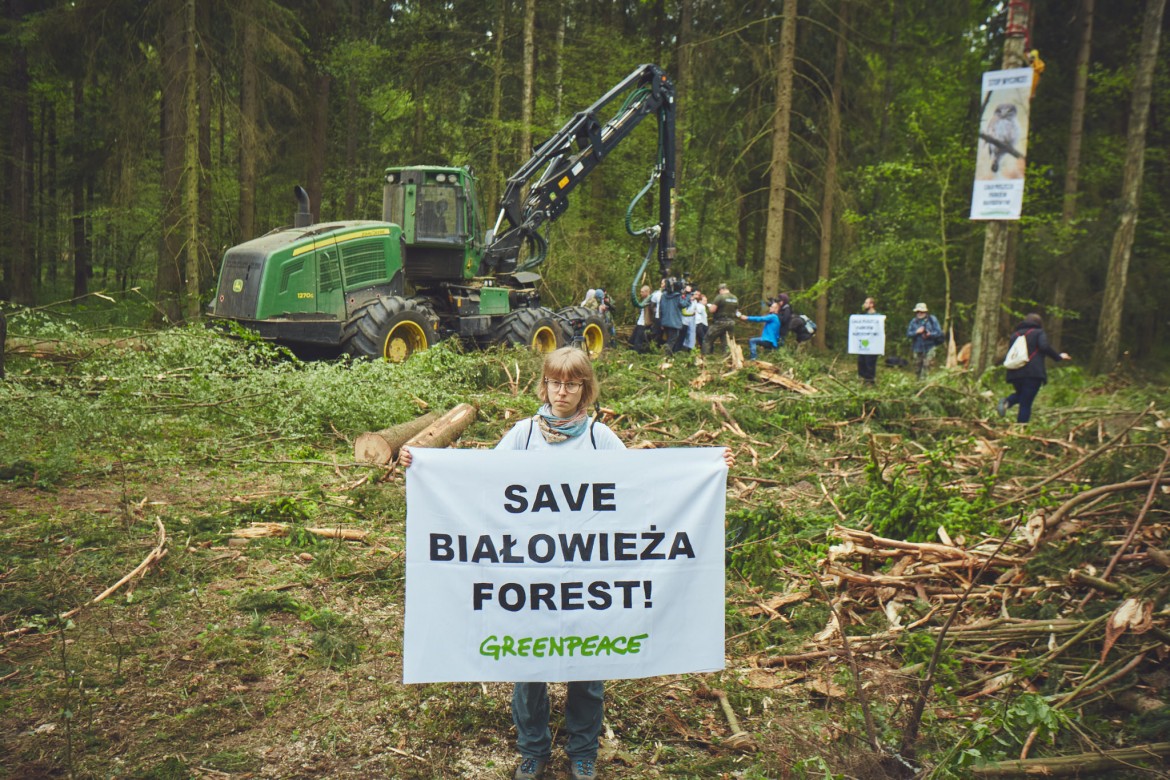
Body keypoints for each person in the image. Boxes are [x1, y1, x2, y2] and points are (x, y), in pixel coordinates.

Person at [400, 348, 734, 780]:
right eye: (556, 382)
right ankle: (533, 751)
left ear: (584, 389)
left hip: (589, 578)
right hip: (528, 576)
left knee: (589, 665)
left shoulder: (600, 438)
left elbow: (643, 487)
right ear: (545, 384)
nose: (562, 391)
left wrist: (708, 469)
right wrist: (425, 465)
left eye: (572, 383)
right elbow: (480, 482)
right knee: (526, 666)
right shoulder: (523, 435)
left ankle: (582, 752)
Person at [997, 313, 1070, 424]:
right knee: (1026, 403)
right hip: (1032, 373)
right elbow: (1044, 346)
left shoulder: (1014, 335)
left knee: (1022, 395)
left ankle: (1007, 401)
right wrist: (1058, 357)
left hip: (1015, 372)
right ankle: (1021, 429)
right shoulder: (1038, 333)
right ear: (1039, 324)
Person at [906, 302, 943, 380]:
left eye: (921, 312)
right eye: (917, 312)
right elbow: (908, 334)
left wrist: (930, 334)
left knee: (927, 367)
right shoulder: (913, 321)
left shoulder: (932, 320)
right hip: (917, 348)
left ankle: (924, 384)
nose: (919, 313)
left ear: (925, 312)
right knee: (917, 369)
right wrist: (916, 332)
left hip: (930, 347)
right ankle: (918, 384)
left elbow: (939, 333)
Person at [702, 283, 739, 355]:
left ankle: (705, 357)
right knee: (726, 341)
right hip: (731, 322)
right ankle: (728, 358)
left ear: (721, 289)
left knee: (707, 339)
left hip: (720, 322)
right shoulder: (735, 298)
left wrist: (709, 307)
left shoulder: (720, 297)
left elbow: (712, 310)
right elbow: (736, 310)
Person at [658, 278, 684, 355]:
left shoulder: (663, 295)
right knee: (672, 340)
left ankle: (667, 355)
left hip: (665, 322)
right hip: (674, 323)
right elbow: (683, 304)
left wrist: (661, 322)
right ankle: (665, 356)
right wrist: (689, 296)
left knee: (668, 339)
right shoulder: (677, 296)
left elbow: (660, 309)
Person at [857, 297, 879, 384]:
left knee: (870, 363)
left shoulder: (878, 317)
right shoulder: (864, 317)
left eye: (866, 303)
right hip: (863, 344)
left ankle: (870, 381)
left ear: (871, 304)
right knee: (861, 361)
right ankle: (862, 379)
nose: (864, 305)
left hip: (873, 345)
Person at [629, 284, 652, 353]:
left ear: (647, 292)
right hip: (639, 323)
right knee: (632, 340)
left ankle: (635, 355)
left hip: (643, 324)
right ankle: (630, 353)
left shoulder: (650, 301)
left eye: (642, 292)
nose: (640, 293)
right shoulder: (643, 301)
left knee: (638, 342)